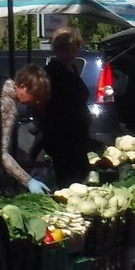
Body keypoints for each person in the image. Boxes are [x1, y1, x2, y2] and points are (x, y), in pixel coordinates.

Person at [43, 28, 91, 188]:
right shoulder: (52, 73)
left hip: (78, 139)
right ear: (56, 49)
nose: (69, 54)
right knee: (69, 183)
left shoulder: (73, 69)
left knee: (82, 178)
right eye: (65, 50)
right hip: (63, 141)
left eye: (73, 50)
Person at [0, 65, 51, 194]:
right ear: (23, 87)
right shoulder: (7, 104)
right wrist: (28, 181)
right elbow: (2, 153)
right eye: (36, 96)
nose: (37, 102)